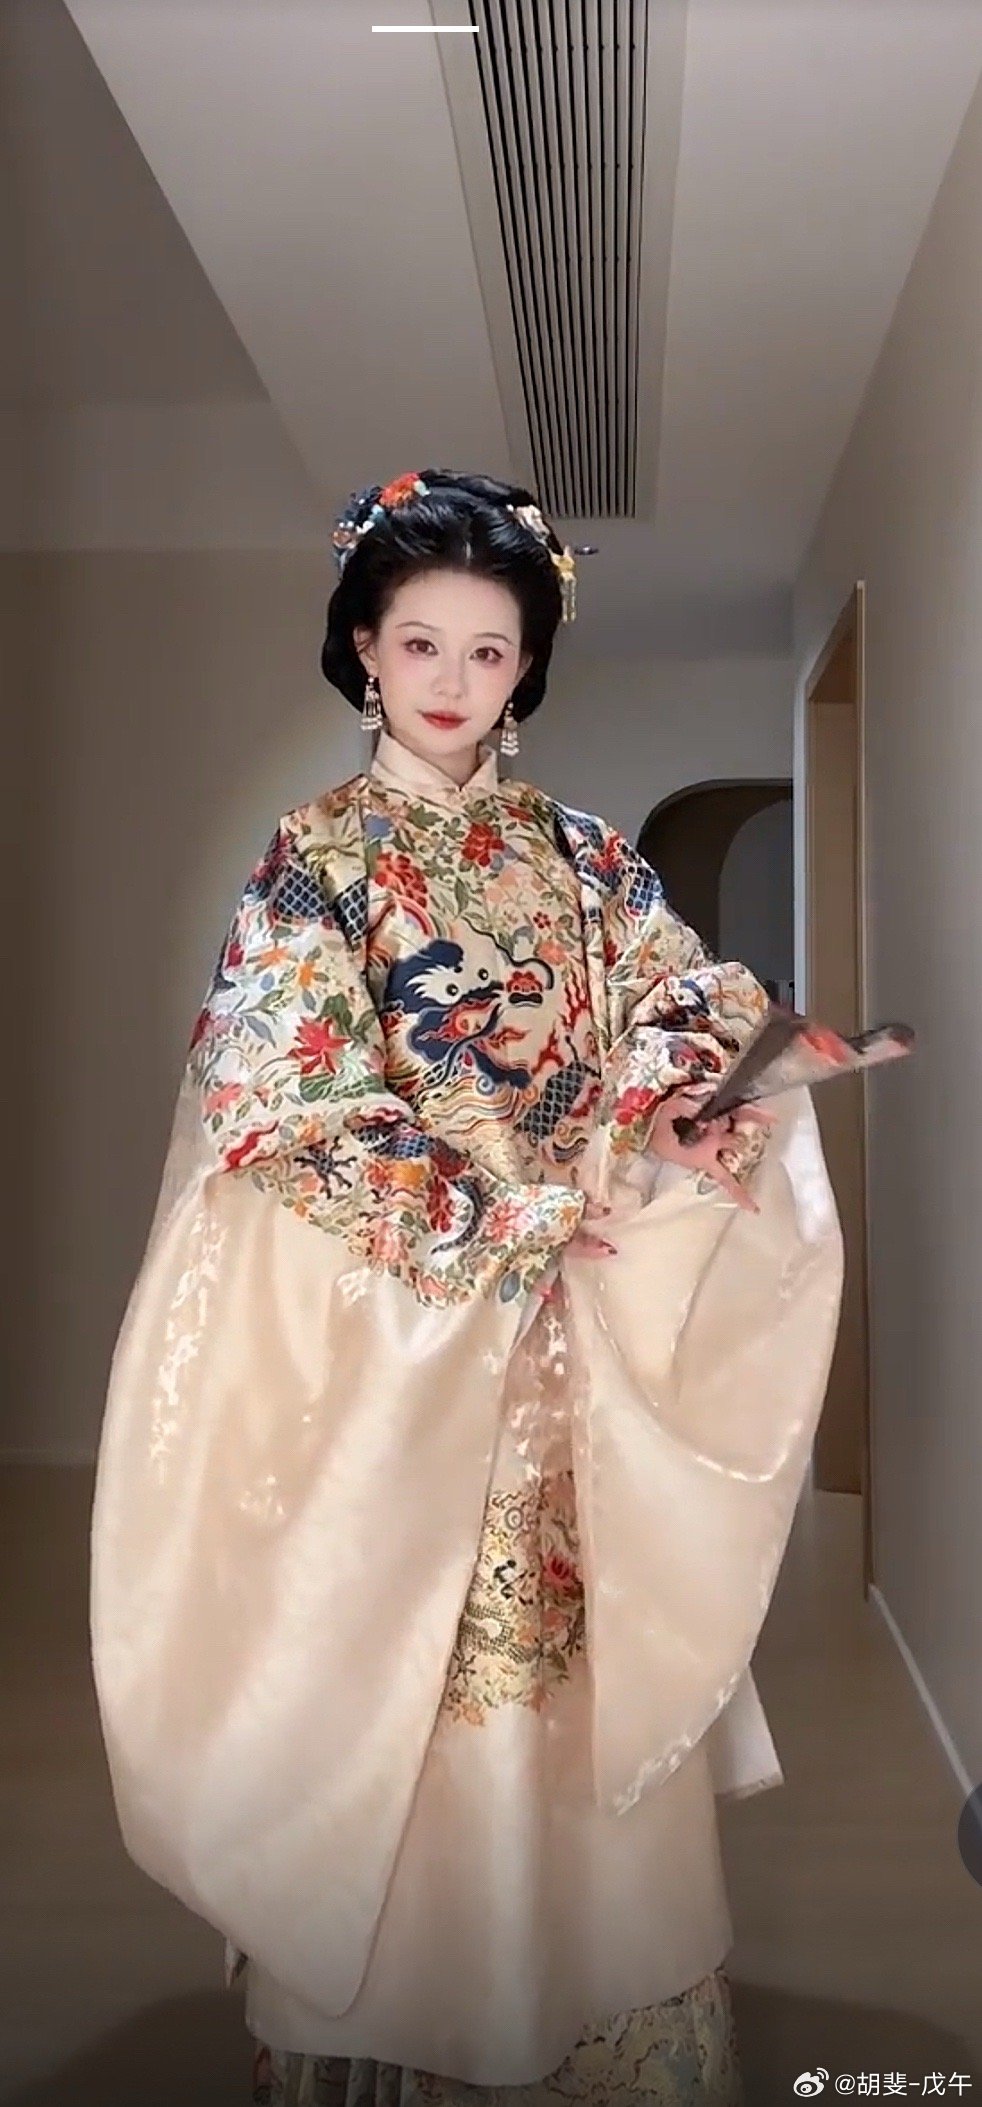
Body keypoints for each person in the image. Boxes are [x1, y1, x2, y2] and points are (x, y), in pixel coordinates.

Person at [89, 469, 844, 2105]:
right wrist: (499, 1221)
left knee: (574, 1658)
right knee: (400, 1668)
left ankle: (591, 1999)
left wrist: (694, 1099)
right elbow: (282, 1096)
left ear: (525, 670)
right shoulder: (316, 860)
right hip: (397, 1326)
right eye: (419, 641)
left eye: (489, 651)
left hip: (571, 1330)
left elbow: (671, 1009)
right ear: (364, 649)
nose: (451, 680)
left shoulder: (584, 858)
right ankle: (419, 2020)